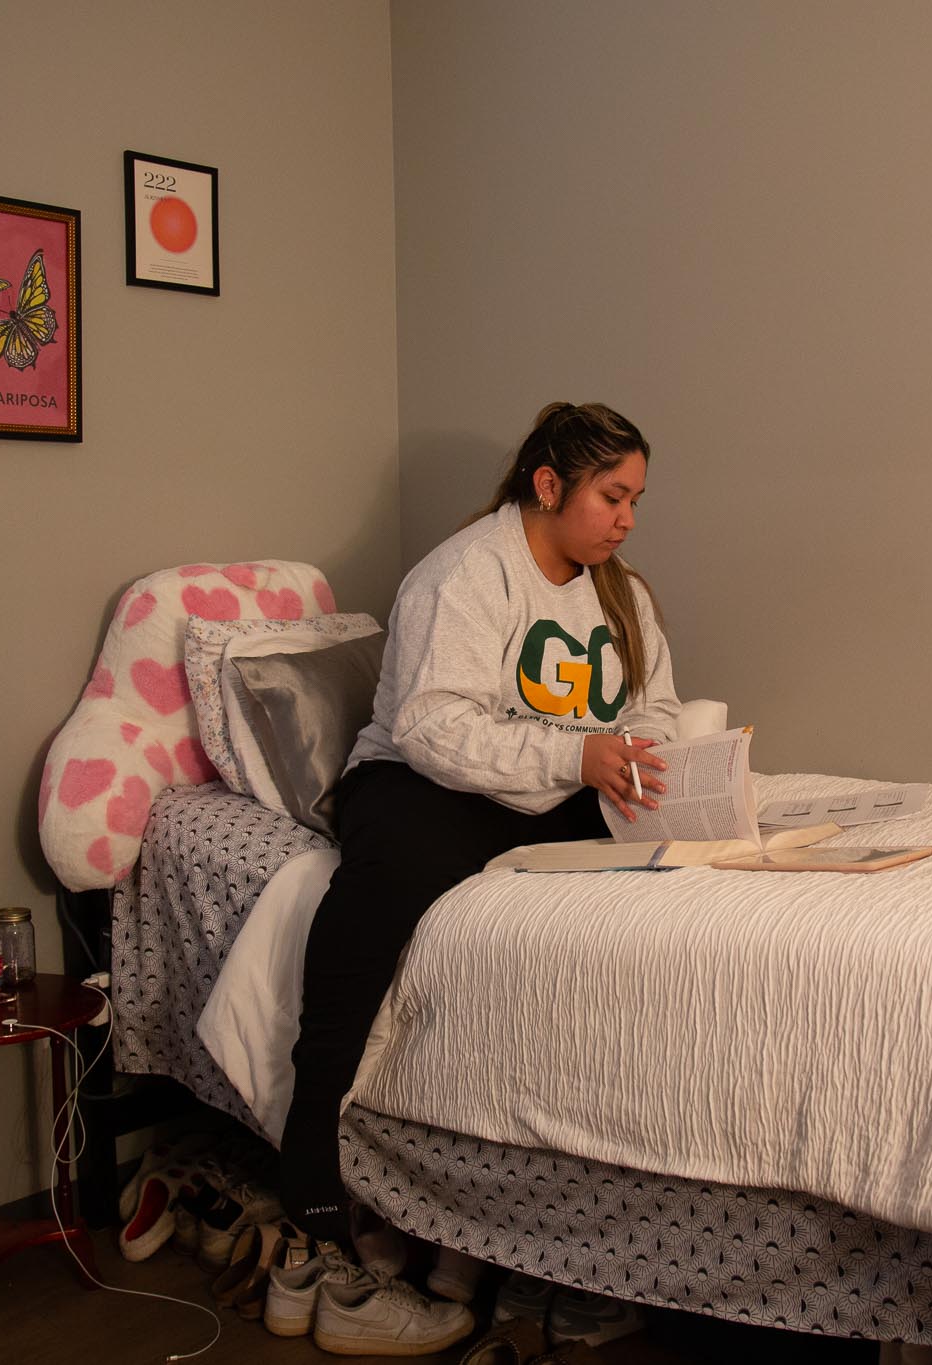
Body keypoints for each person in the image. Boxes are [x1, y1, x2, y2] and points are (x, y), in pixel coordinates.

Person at [278, 401, 681, 1263]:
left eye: (635, 500)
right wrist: (577, 756)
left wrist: (642, 759)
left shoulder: (623, 592)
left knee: (678, 860)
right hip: (426, 782)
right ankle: (309, 1139)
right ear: (550, 485)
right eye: (612, 496)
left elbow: (657, 707)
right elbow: (430, 727)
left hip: (558, 783)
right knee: (380, 892)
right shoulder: (463, 573)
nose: (627, 519)